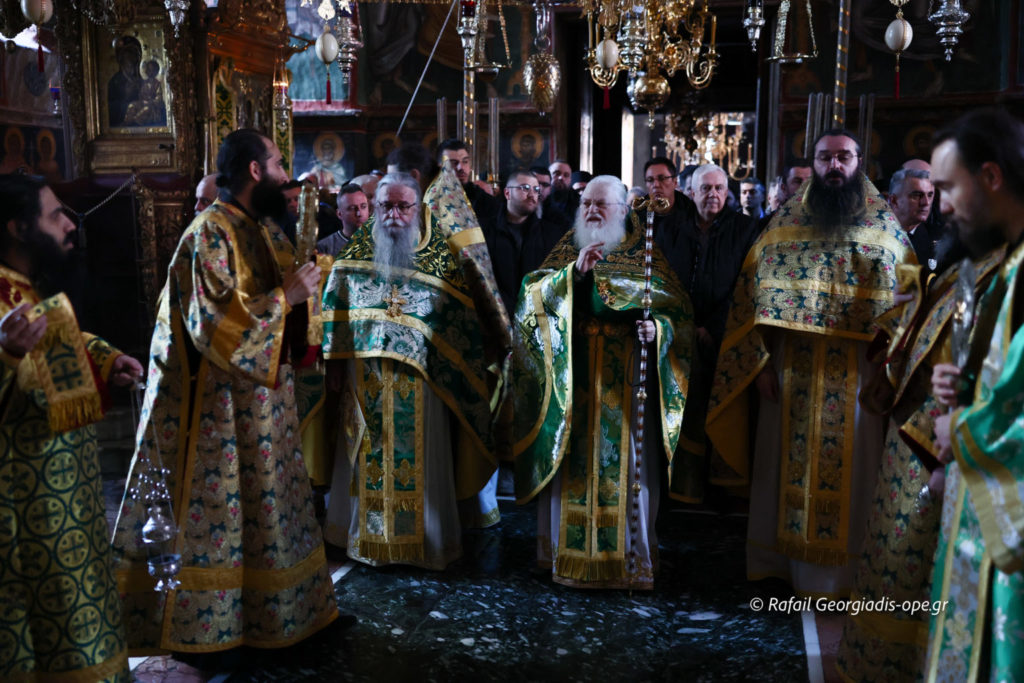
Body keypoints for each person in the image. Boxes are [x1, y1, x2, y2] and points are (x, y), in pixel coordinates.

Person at [111, 129, 340, 653]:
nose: (285, 173)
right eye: (279, 163)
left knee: (271, 509)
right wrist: (288, 295)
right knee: (223, 513)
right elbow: (215, 326)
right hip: (214, 410)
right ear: (255, 170)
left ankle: (286, 617)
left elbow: (297, 293)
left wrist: (309, 268)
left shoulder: (262, 228)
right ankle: (211, 629)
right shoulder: (208, 232)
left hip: (265, 402)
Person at [706, 129, 914, 599]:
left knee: (856, 476)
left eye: (843, 157)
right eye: (825, 158)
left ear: (860, 162)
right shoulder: (783, 227)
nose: (834, 166)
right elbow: (749, 299)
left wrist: (888, 366)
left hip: (860, 375)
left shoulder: (886, 230)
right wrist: (758, 364)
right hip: (791, 373)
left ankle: (849, 575)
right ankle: (783, 564)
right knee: (784, 471)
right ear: (813, 163)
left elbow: (908, 301)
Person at [836, 234, 1005, 681]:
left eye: (952, 189)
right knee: (892, 555)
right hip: (912, 428)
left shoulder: (1004, 269)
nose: (944, 206)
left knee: (914, 557)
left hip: (942, 441)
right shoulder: (968, 260)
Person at [513, 175, 694, 590]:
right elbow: (531, 297)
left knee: (629, 470)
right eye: (587, 203)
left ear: (623, 210)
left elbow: (677, 313)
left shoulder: (645, 255)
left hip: (626, 387)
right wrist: (572, 278)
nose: (592, 210)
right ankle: (567, 556)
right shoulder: (567, 248)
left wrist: (658, 331)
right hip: (574, 387)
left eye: (602, 204)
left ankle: (628, 561)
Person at [0, 174, 143, 681]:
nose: (70, 223)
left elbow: (61, 335)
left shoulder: (27, 283)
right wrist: (7, 354)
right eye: (55, 213)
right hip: (25, 507)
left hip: (70, 494)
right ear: (19, 227)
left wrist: (105, 359)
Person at [320, 172, 499, 568]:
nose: (394, 214)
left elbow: (459, 325)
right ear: (375, 206)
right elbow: (334, 309)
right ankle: (369, 542)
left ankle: (425, 543)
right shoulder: (354, 256)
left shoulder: (441, 257)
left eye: (404, 206)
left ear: (418, 209)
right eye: (386, 205)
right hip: (365, 381)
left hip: (423, 384)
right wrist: (332, 363)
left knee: (424, 462)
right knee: (366, 456)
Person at [924, 108, 1024, 681]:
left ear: (990, 176)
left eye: (946, 187)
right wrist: (963, 388)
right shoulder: (1007, 262)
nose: (942, 205)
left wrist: (957, 430)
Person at [658, 163, 759, 502]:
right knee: (678, 414)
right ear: (690, 192)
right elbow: (661, 280)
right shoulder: (669, 228)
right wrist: (683, 325)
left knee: (716, 414)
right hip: (675, 336)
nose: (713, 194)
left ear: (727, 192)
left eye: (719, 188)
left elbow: (746, 286)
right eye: (706, 189)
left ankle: (718, 491)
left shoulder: (745, 229)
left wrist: (712, 327)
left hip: (722, 337)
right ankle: (679, 487)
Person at [482, 170, 567, 316]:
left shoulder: (552, 234)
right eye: (525, 188)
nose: (532, 195)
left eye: (536, 189)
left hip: (538, 317)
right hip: (495, 316)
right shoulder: (484, 231)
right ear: (507, 193)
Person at [438, 138, 500, 224]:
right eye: (453, 163)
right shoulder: (429, 199)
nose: (461, 168)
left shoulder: (485, 201)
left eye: (465, 161)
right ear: (440, 167)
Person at [889, 168, 938, 269]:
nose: (926, 202)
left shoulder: (936, 240)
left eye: (929, 195)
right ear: (894, 200)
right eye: (916, 196)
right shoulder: (874, 235)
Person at [318, 183, 370, 256]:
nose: (359, 213)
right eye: (352, 208)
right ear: (339, 214)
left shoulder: (380, 242)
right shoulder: (325, 247)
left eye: (363, 207)